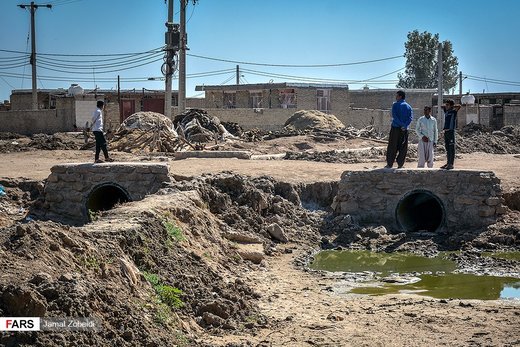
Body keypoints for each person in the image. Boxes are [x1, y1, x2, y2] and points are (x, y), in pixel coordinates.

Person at [385, 90, 413, 169]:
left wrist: (400, 124)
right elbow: (410, 118)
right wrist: (404, 125)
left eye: (397, 96)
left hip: (396, 129)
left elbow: (394, 116)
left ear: (400, 96)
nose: (396, 97)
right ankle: (400, 164)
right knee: (403, 147)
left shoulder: (395, 105)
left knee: (392, 146)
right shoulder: (409, 106)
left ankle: (390, 164)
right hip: (404, 130)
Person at [440, 99, 460, 170]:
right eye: (446, 105)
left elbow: (459, 106)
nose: (446, 106)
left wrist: (452, 105)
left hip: (451, 132)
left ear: (451, 106)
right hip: (446, 132)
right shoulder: (447, 112)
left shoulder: (454, 112)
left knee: (451, 148)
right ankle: (448, 163)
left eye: (447, 105)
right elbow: (441, 106)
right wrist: (447, 106)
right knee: (447, 148)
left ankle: (451, 164)